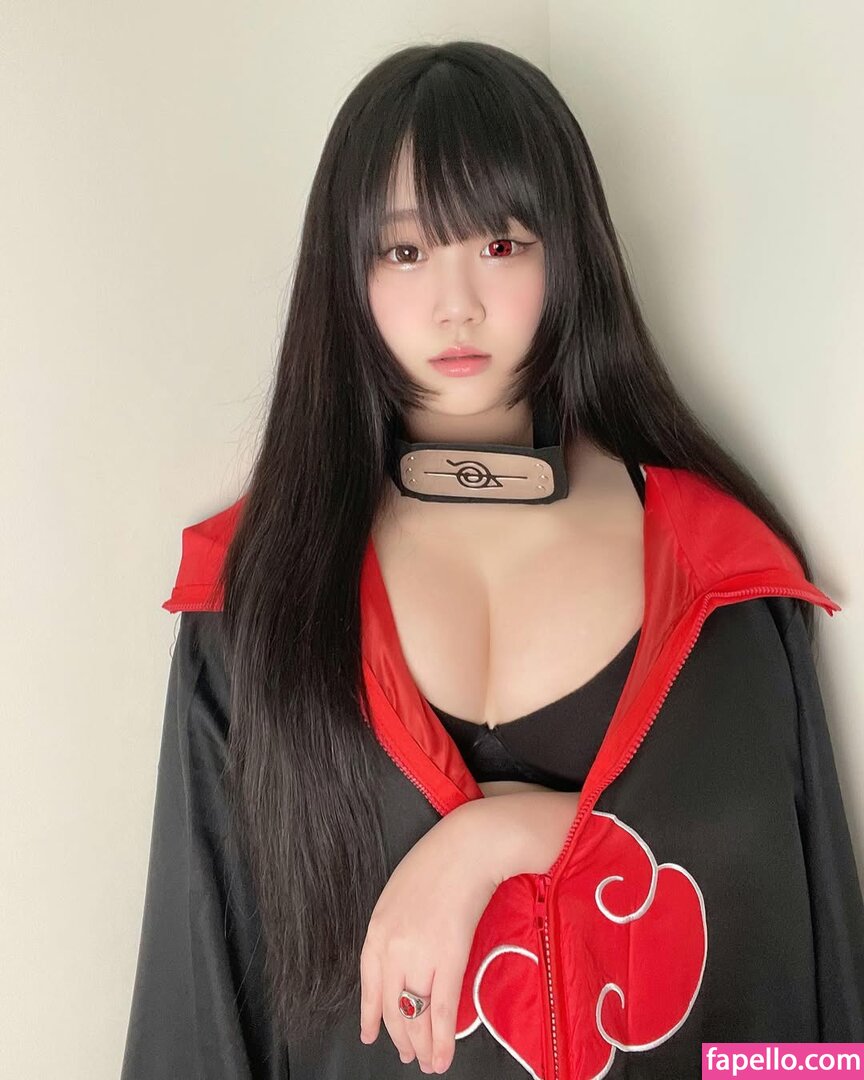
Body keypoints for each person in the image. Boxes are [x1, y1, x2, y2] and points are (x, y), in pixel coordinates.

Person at [120, 40, 864, 1080]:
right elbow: (197, 1002)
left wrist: (495, 842)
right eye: (404, 251)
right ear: (345, 272)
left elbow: (797, 998)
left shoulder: (723, 572)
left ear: (570, 250)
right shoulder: (254, 597)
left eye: (502, 243)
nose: (456, 303)